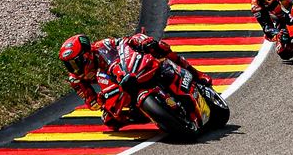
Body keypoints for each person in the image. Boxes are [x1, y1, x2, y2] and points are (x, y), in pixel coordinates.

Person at [58, 31, 210, 129]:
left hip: (127, 68)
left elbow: (123, 44)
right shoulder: (76, 79)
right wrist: (100, 101)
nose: (74, 68)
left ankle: (195, 73)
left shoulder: (101, 47)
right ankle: (144, 113)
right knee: (109, 121)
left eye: (76, 62)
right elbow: (90, 101)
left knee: (158, 46)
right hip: (115, 86)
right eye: (69, 65)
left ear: (86, 54)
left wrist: (141, 42)